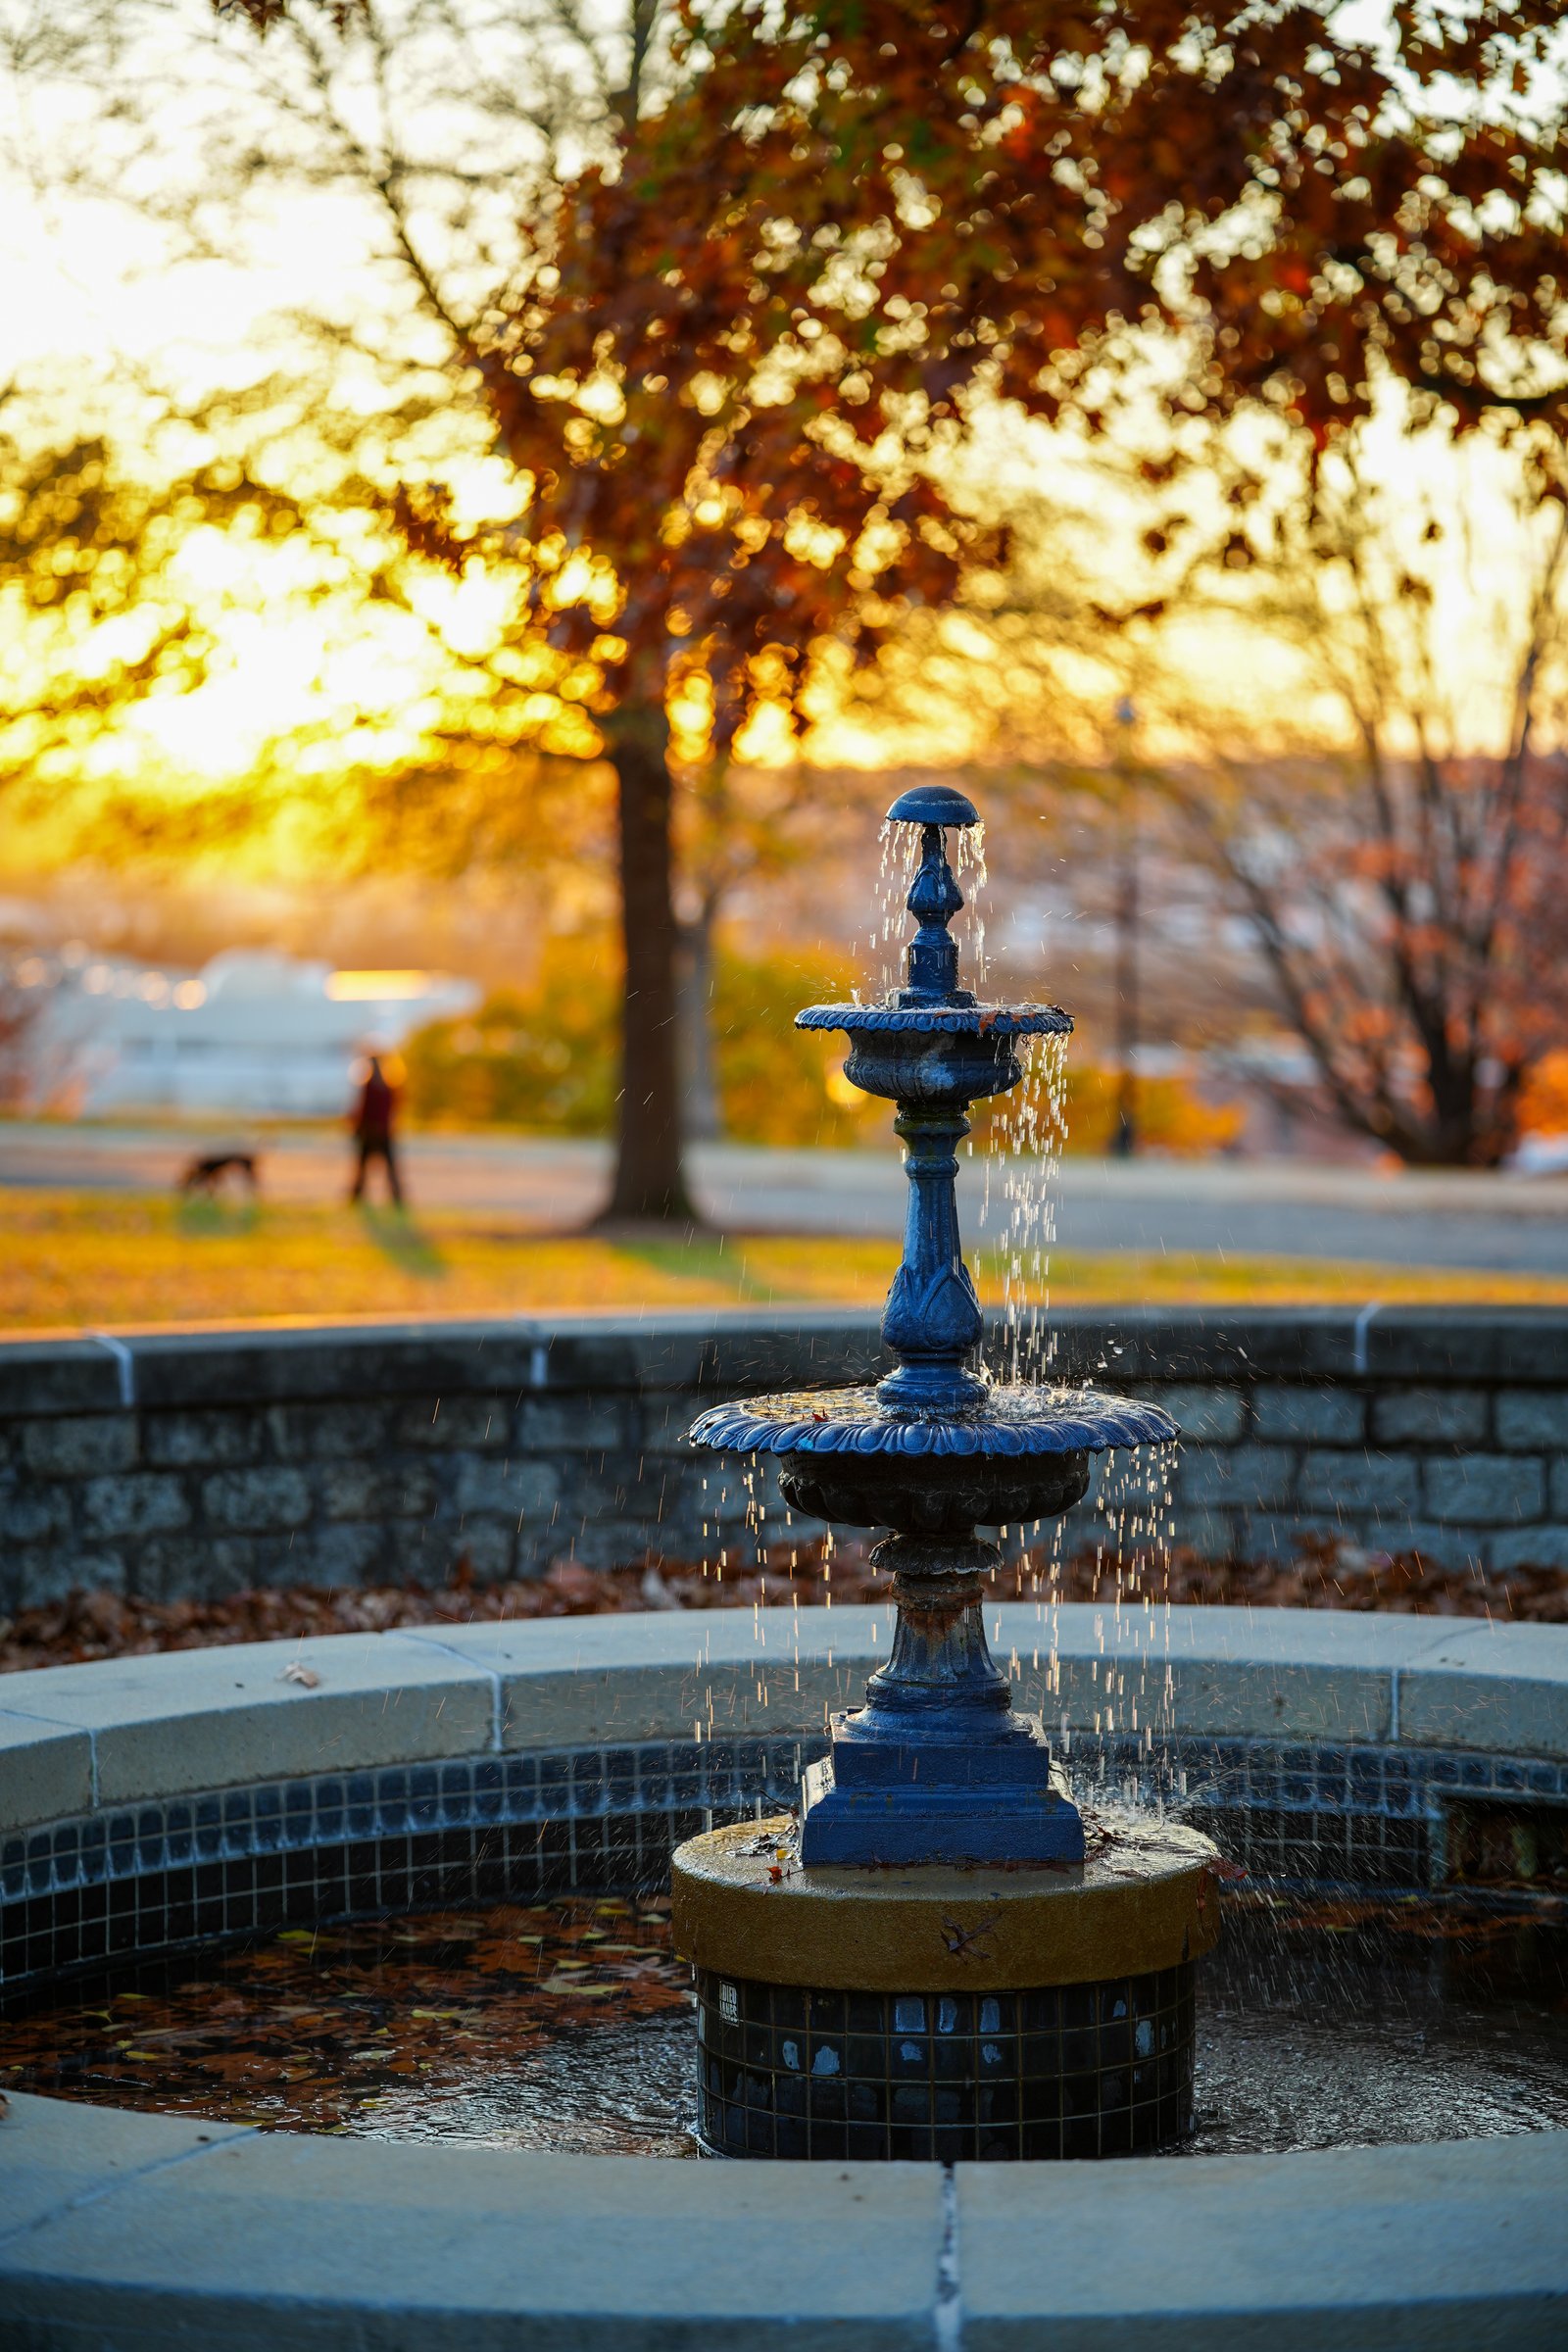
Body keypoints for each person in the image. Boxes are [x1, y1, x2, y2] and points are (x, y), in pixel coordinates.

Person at [349, 1051, 403, 1206]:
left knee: (362, 1168)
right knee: (389, 1169)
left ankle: (357, 1196)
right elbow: (393, 1109)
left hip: (370, 1132)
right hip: (383, 1132)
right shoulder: (388, 1086)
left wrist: (357, 1127)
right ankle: (396, 1197)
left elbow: (363, 1109)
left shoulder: (370, 1086)